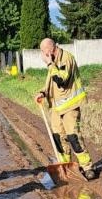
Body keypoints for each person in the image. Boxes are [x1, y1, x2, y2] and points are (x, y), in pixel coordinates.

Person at [34, 37, 97, 181]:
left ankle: (87, 167)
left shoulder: (66, 59)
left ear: (49, 50)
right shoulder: (53, 62)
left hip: (70, 106)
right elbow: (51, 81)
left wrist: (50, 63)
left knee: (73, 137)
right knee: (58, 137)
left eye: (43, 52)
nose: (42, 56)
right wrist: (43, 92)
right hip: (57, 108)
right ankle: (66, 166)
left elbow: (61, 81)